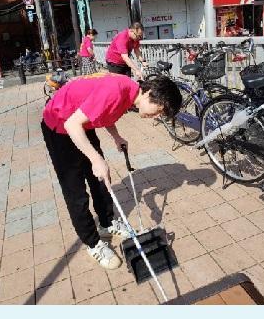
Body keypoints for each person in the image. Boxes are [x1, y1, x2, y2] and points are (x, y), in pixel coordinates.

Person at [41, 73, 182, 269]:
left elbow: (106, 112)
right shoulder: (116, 90)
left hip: (80, 121)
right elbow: (71, 125)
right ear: (149, 93)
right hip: (60, 124)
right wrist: (95, 158)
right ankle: (92, 243)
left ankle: (107, 223)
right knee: (76, 192)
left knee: (99, 180)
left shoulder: (130, 94)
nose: (156, 117)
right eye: (158, 111)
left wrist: (116, 137)